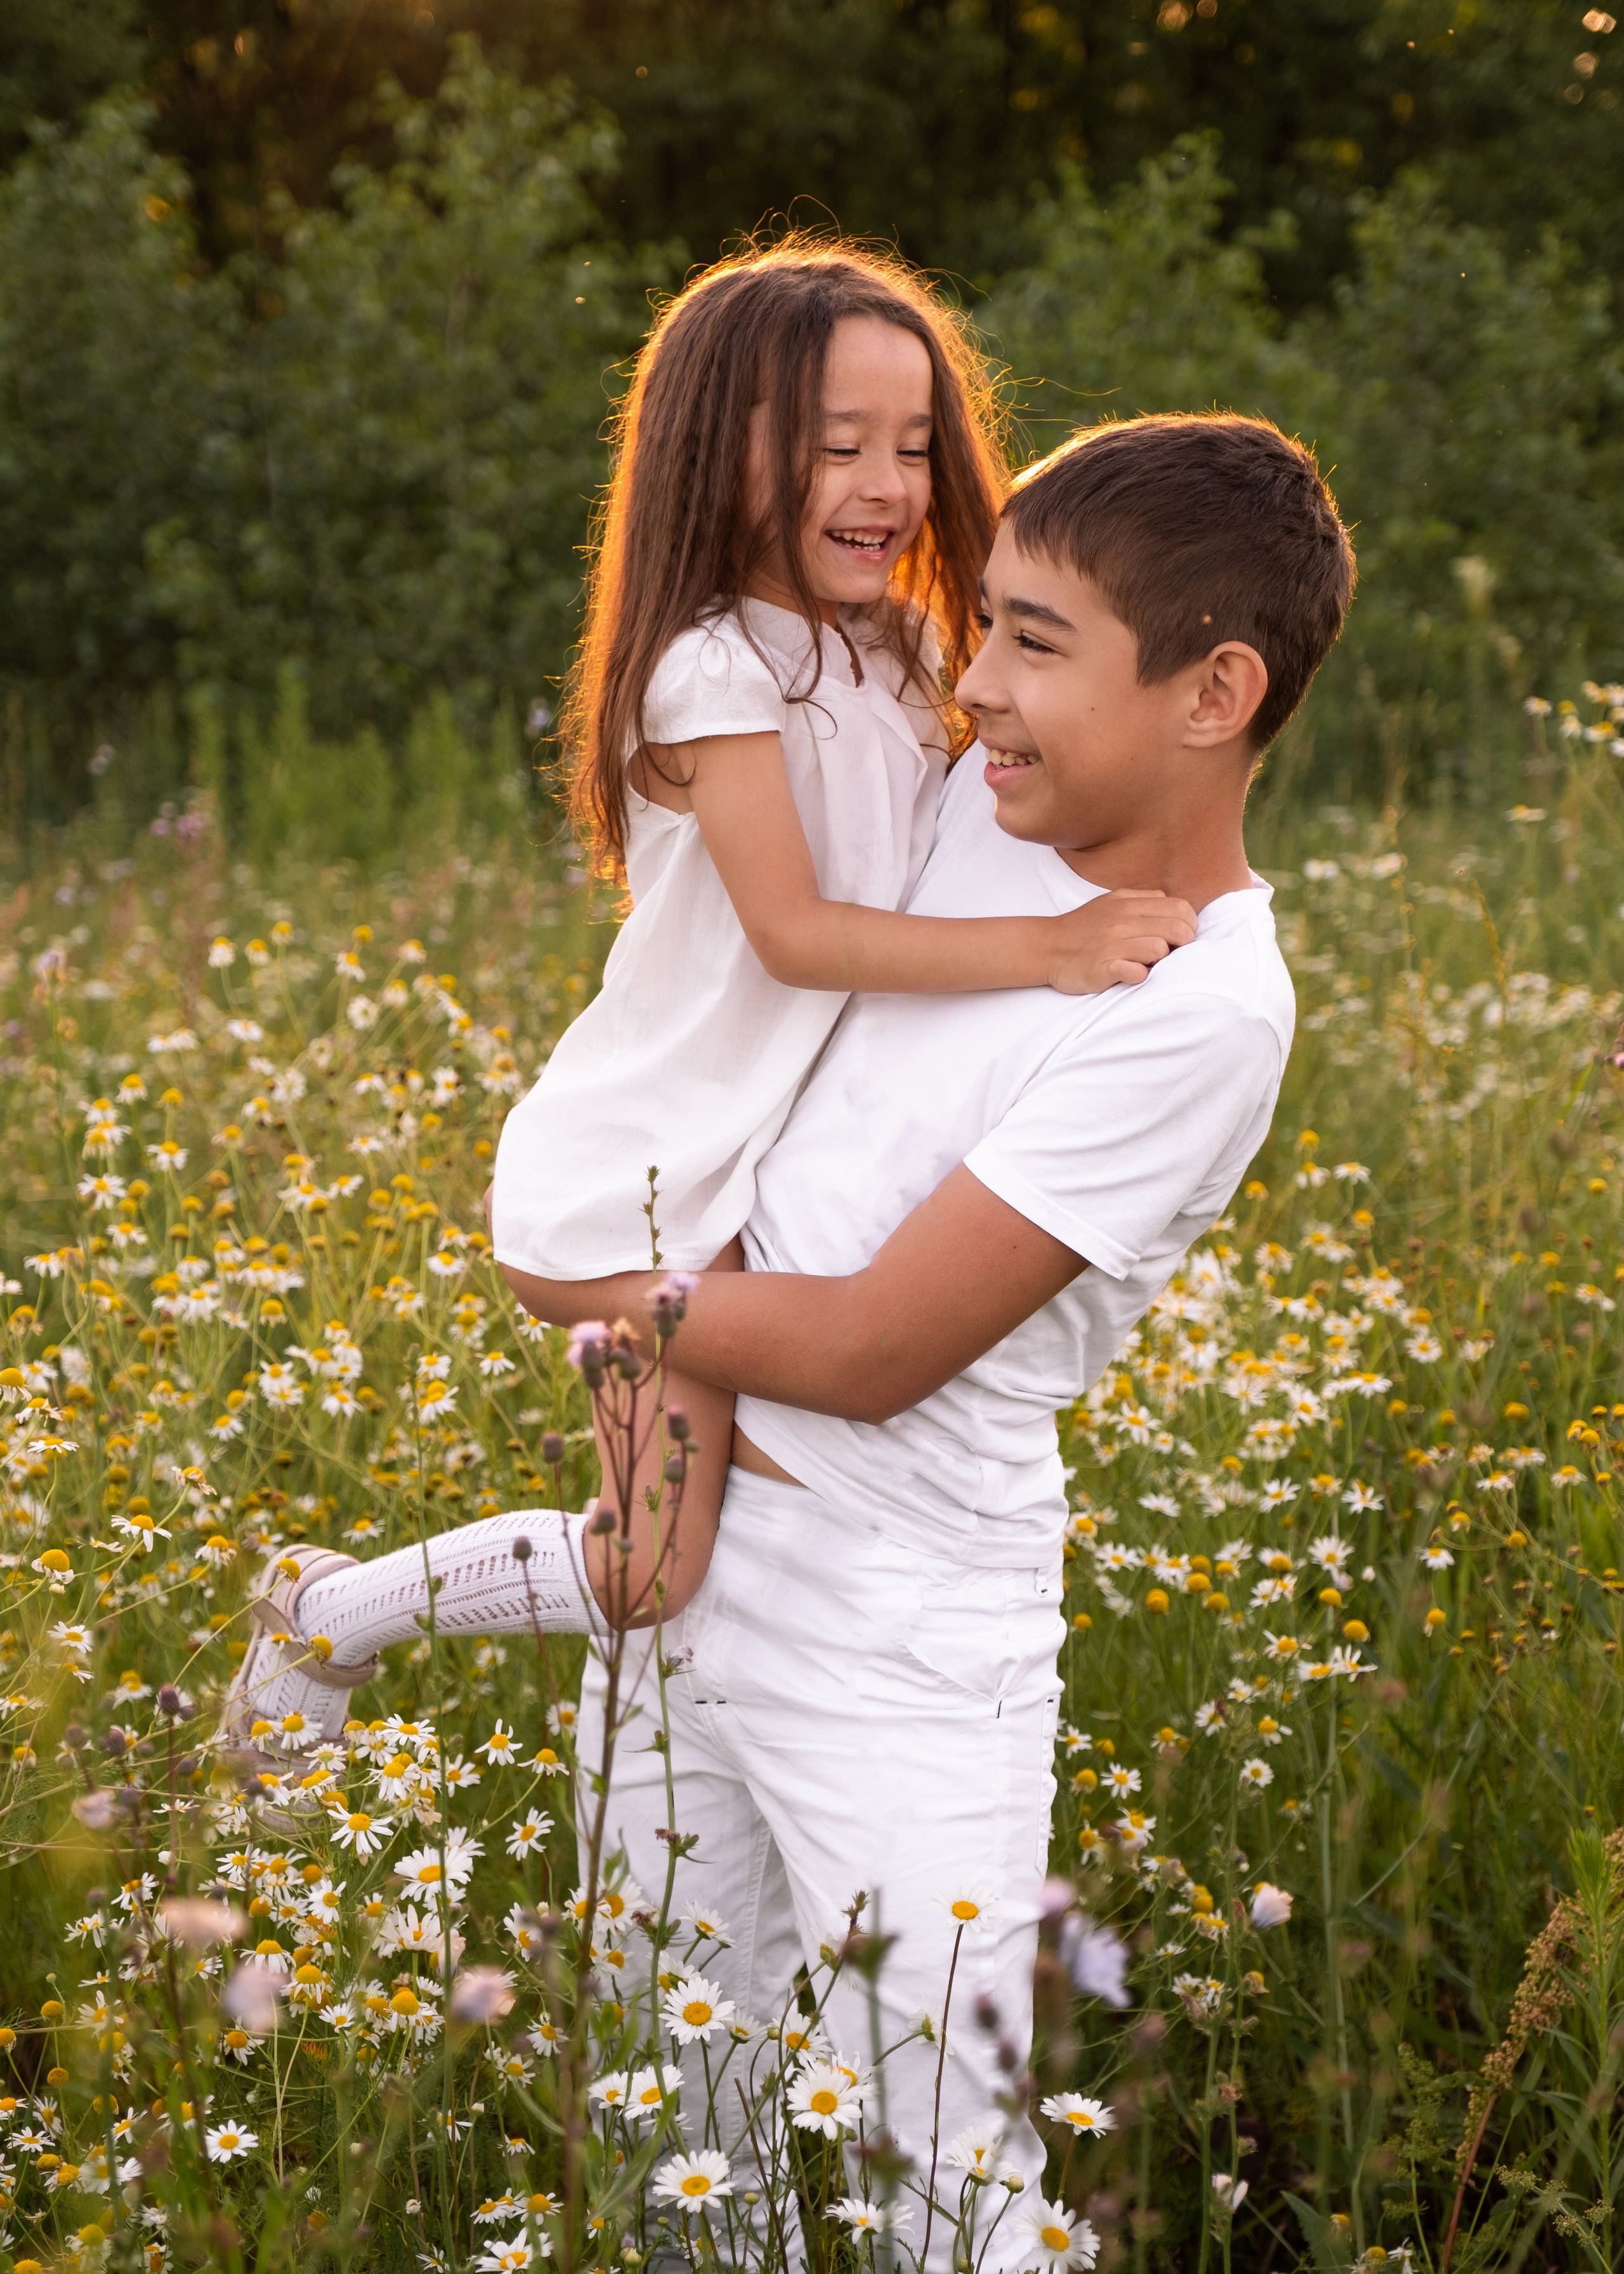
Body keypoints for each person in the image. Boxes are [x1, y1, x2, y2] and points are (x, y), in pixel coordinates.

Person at [226, 407, 1354, 2259]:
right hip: (711, 1516)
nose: (975, 683)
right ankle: (328, 1620)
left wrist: (617, 1303)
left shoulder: (1204, 1008)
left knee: (949, 2189)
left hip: (900, 1624)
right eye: (982, 624)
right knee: (682, 2135)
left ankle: (330, 1610)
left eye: (1038, 645)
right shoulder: (976, 810)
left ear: (1215, 691)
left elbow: (865, 1352)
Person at [224, 242, 1196, 1742]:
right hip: (648, 1177)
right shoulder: (707, 672)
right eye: (834, 446)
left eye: (913, 445)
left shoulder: (906, 646)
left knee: (707, 1561)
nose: (884, 481)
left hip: (758, 1177)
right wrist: (1052, 953)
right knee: (647, 1568)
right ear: (715, 452)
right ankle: (323, 1616)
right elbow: (803, 933)